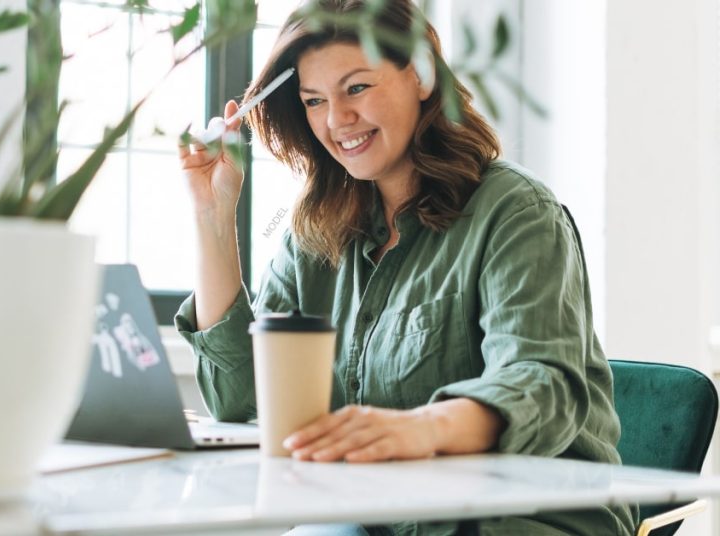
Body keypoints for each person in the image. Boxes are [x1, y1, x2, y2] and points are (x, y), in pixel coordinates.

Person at [174, 0, 635, 534]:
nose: (336, 120)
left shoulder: (516, 212)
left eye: (357, 88)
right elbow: (238, 400)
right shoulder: (316, 230)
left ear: (419, 74)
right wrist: (212, 212)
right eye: (314, 100)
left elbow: (541, 385)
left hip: (523, 518)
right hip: (373, 517)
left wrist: (422, 429)